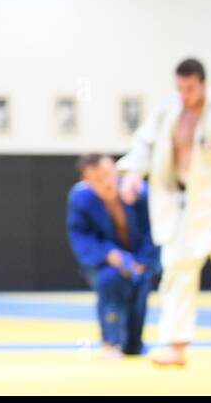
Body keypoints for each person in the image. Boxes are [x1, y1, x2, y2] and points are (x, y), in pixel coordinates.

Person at [118, 58, 211, 368]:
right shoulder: (168, 110)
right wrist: (134, 172)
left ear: (202, 84)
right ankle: (177, 346)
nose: (185, 95)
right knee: (176, 270)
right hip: (184, 204)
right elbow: (145, 143)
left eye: (190, 88)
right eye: (180, 88)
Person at [67, 153, 159, 357]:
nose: (107, 182)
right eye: (98, 179)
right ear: (87, 181)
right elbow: (80, 235)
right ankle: (110, 341)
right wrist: (108, 254)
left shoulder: (139, 192)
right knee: (110, 280)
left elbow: (153, 230)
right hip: (104, 262)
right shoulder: (81, 197)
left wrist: (143, 262)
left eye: (109, 174)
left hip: (140, 259)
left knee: (140, 289)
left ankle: (133, 343)